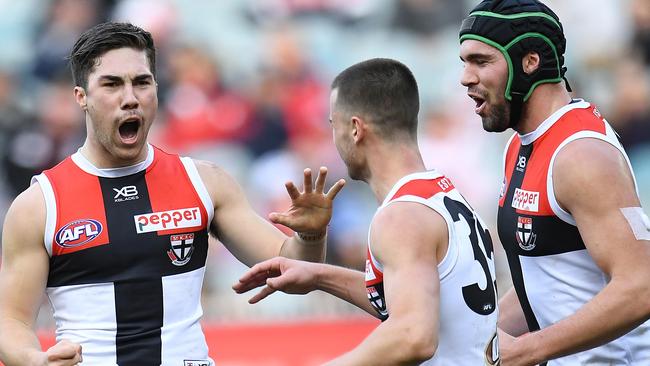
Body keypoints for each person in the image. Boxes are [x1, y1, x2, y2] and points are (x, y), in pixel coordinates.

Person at [0, 22, 345, 366]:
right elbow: (10, 321)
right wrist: (34, 361)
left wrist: (311, 233)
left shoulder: (204, 181)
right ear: (82, 97)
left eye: (141, 83)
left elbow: (294, 272)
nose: (130, 98)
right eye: (112, 84)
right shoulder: (41, 204)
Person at [234, 58, 500, 365]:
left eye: (333, 125)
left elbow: (413, 336)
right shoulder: (443, 194)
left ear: (356, 129)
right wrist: (320, 275)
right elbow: (414, 298)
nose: (333, 139)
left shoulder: (401, 216)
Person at [459, 0, 650, 365]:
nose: (465, 77)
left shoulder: (581, 154)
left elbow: (641, 286)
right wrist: (478, 339)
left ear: (530, 62)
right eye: (465, 62)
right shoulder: (518, 144)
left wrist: (528, 350)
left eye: (481, 61)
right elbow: (545, 279)